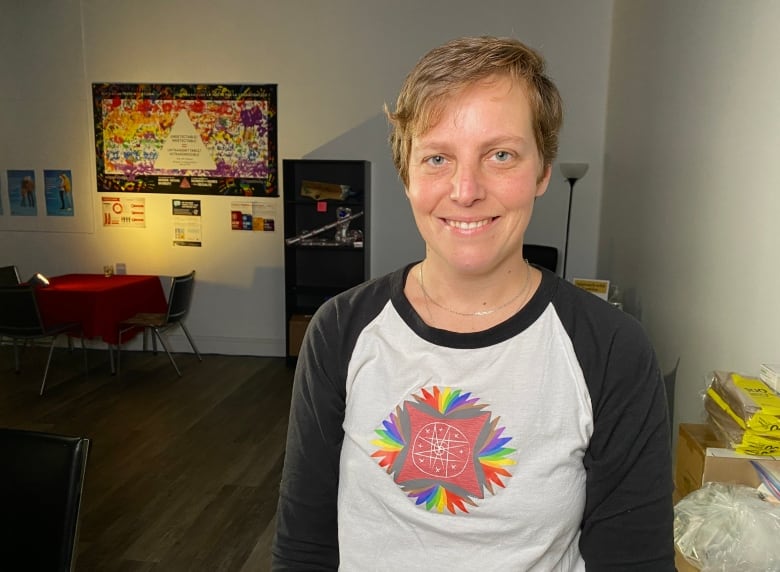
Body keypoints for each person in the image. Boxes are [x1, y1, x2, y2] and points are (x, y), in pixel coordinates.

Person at [272, 36, 674, 571]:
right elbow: (304, 546)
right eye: (437, 157)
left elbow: (634, 561)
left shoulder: (610, 348)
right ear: (406, 175)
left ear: (542, 172)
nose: (465, 190)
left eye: (501, 155)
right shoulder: (342, 330)